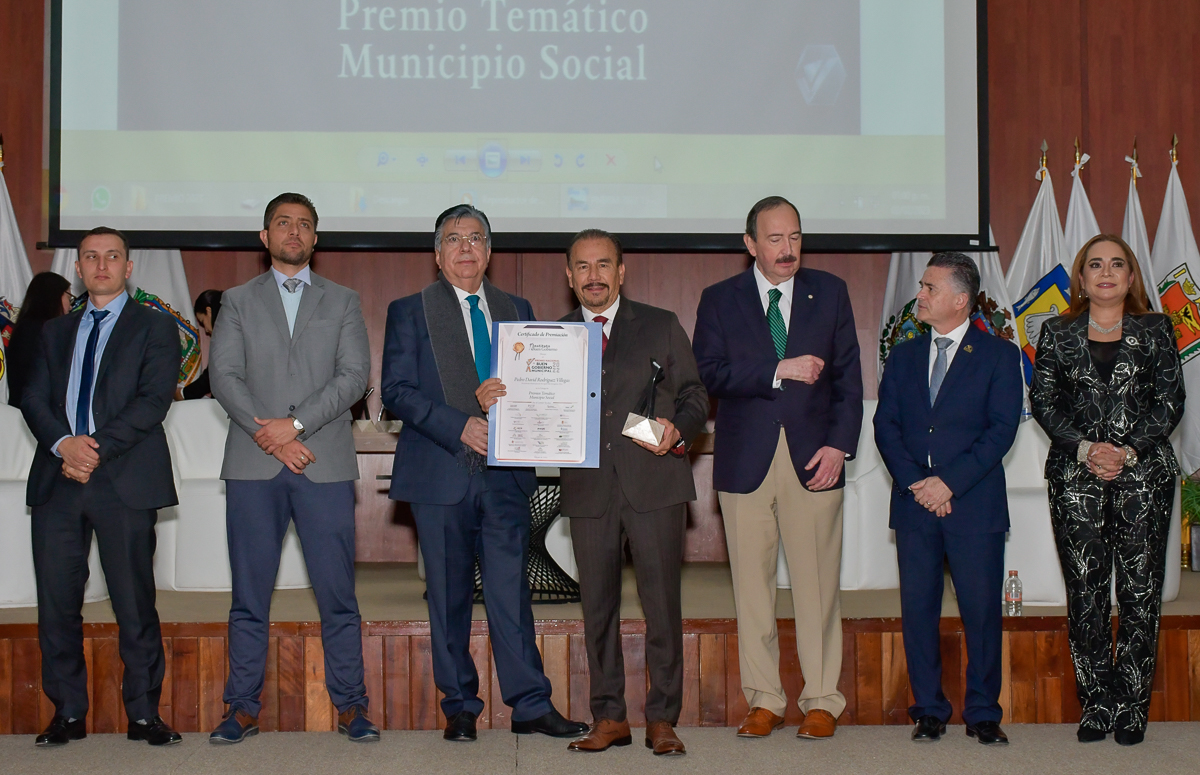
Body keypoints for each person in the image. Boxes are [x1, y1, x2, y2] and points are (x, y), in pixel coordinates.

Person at [478, 230, 709, 755]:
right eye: (582, 267)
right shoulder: (546, 339)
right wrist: (498, 398)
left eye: (604, 264)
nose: (594, 276)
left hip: (655, 485)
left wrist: (679, 427)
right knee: (597, 609)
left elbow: (695, 393)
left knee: (661, 606)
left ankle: (662, 718)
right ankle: (609, 717)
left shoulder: (659, 324)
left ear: (621, 271)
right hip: (587, 493)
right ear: (569, 275)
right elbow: (528, 410)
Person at [381, 204, 587, 743]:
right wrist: (460, 424)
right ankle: (460, 707)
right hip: (440, 472)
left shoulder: (516, 308)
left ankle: (530, 705)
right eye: (454, 239)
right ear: (437, 253)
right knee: (447, 597)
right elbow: (397, 391)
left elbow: (537, 380)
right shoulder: (410, 310)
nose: (465, 248)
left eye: (476, 238)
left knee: (509, 593)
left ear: (489, 252)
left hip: (505, 475)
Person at [208, 193, 378, 743]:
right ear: (265, 237)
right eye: (283, 223)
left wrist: (295, 426)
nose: (294, 232)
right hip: (254, 465)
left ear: (315, 238)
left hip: (321, 463)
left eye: (305, 224)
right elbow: (224, 376)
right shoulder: (235, 300)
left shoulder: (344, 299)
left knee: (337, 595)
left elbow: (354, 377)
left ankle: (352, 706)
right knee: (249, 596)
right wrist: (273, 436)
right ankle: (241, 708)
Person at [692, 196, 863, 740]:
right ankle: (764, 699)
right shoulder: (719, 300)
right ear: (750, 245)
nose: (787, 249)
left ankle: (821, 699)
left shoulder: (830, 292)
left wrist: (839, 447)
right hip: (746, 462)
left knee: (817, 586)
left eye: (794, 237)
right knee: (752, 588)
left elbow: (850, 382)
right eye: (774, 239)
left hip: (815, 458)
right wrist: (777, 369)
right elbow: (708, 374)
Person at [21, 227, 182, 746]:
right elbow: (32, 398)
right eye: (91, 257)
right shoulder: (54, 332)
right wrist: (64, 444)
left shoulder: (156, 328)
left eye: (113, 256)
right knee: (57, 604)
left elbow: (153, 400)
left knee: (134, 602)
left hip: (124, 478)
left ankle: (142, 715)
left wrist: (91, 448)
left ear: (128, 267)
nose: (102, 265)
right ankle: (67, 713)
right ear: (80, 267)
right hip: (59, 481)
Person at [1031, 234, 1184, 746]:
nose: (1106, 272)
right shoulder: (1055, 332)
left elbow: (1170, 401)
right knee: (1086, 593)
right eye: (1094, 265)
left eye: (1117, 264)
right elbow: (1045, 401)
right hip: (1076, 479)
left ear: (1132, 277)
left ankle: (1132, 703)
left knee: (1140, 593)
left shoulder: (1158, 329)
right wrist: (1085, 450)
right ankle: (1097, 703)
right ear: (1080, 278)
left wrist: (1127, 451)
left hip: (1143, 477)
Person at [874, 252, 1023, 745]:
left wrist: (948, 483)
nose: (920, 295)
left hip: (973, 506)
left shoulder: (999, 356)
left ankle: (982, 712)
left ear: (961, 300)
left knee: (981, 611)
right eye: (921, 286)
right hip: (915, 504)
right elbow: (885, 426)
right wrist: (920, 483)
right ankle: (929, 710)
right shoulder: (904, 354)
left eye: (930, 288)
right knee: (919, 610)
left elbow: (1001, 431)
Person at [6, 271, 72, 409]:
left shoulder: (27, 327)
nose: (71, 306)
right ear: (54, 296)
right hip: (34, 414)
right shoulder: (40, 331)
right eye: (69, 297)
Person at [181, 289, 221, 400]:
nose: (206, 330)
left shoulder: (226, 336)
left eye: (203, 322)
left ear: (208, 311)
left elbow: (213, 376)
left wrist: (184, 393)